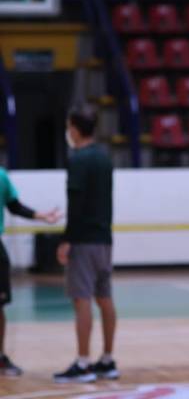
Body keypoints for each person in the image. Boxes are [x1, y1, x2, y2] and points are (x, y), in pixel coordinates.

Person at [54, 105, 118, 383]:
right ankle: (107, 360)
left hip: (84, 241)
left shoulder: (78, 159)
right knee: (105, 299)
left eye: (69, 126)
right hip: (105, 239)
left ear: (75, 129)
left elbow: (76, 204)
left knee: (82, 301)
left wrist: (67, 239)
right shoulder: (105, 158)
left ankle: (83, 363)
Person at [0, 168, 60, 376]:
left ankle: (0, 358)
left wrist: (41, 216)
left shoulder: (1, 176)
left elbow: (14, 206)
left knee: (0, 306)